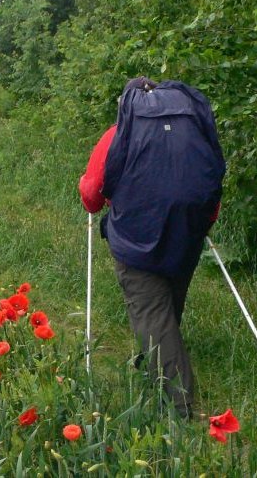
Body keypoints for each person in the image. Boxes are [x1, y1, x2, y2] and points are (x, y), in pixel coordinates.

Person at [79, 76, 226, 419]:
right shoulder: (192, 131)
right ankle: (152, 364)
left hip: (135, 239)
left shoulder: (116, 135)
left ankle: (181, 409)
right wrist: (200, 224)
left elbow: (92, 196)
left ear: (127, 104)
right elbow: (210, 181)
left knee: (154, 315)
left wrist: (84, 187)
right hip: (187, 233)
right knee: (167, 306)